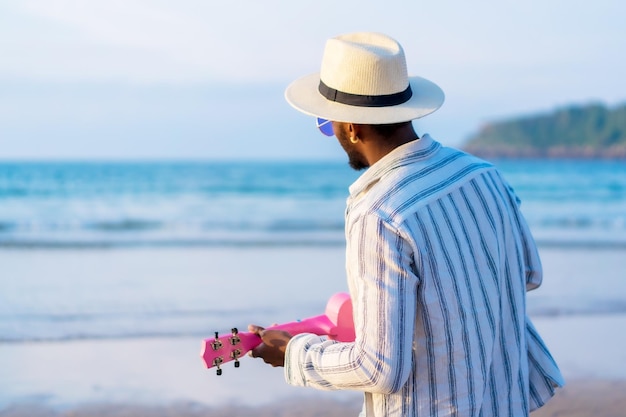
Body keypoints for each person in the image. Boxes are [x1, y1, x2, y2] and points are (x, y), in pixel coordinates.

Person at [248, 32, 564, 417]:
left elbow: (378, 368)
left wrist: (294, 354)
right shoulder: (482, 175)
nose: (330, 132)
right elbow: (527, 274)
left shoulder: (378, 214)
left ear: (351, 126)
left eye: (325, 122)